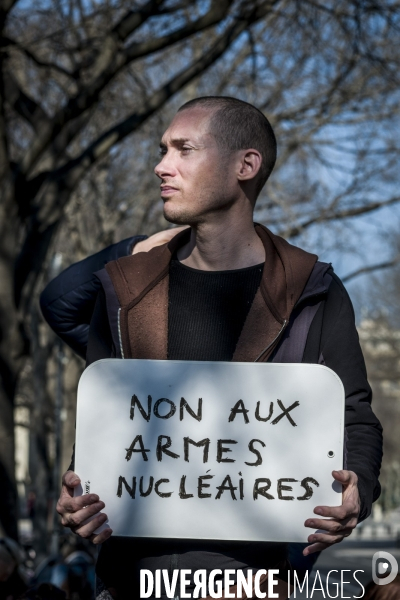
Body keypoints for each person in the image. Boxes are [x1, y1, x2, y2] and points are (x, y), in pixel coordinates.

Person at [41, 96, 383, 599]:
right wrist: (79, 493)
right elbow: (107, 420)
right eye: (163, 150)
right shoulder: (124, 291)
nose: (161, 166)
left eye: (184, 149)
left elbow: (353, 415)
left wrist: (360, 489)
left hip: (259, 577)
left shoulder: (314, 290)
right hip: (130, 579)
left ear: (246, 165)